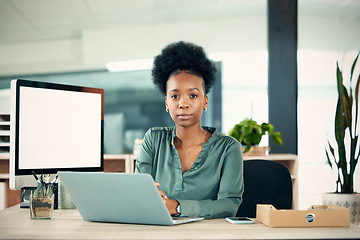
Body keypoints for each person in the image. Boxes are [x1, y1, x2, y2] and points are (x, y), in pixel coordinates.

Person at [135, 41, 243, 219]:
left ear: (205, 101)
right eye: (175, 96)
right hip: (158, 231)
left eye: (193, 95)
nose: (183, 104)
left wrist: (177, 207)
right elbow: (140, 192)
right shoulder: (153, 139)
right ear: (166, 103)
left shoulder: (228, 148)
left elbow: (229, 205)